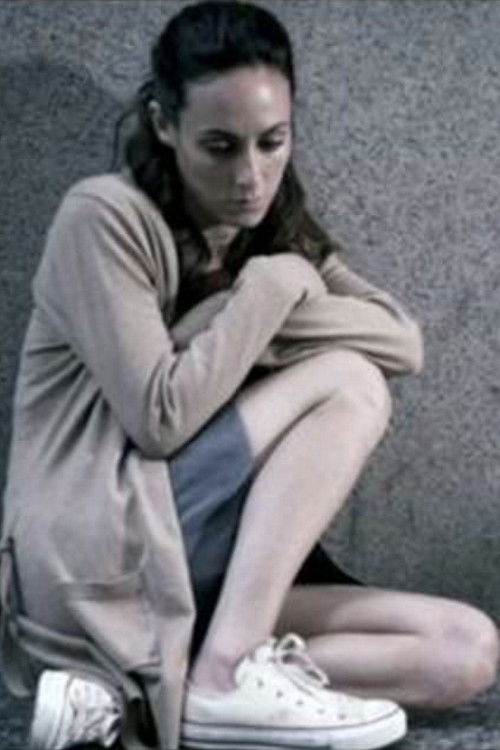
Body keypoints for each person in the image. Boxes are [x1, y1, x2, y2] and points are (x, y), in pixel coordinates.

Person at [1, 2, 498, 749]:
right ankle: (223, 676)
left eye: (273, 142)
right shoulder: (102, 216)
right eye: (220, 147)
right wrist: (270, 289)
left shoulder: (272, 230)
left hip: (192, 567)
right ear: (165, 125)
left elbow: (402, 340)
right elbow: (161, 416)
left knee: (464, 651)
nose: (251, 177)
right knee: (349, 382)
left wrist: (247, 305)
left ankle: (134, 692)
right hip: (95, 556)